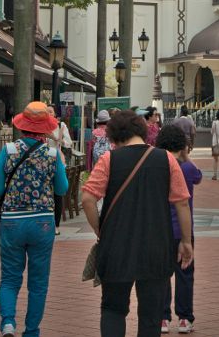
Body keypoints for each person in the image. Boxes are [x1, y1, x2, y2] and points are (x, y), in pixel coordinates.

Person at [81, 111, 195, 337]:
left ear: (115, 135)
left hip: (116, 246)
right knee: (151, 314)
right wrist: (185, 241)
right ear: (142, 131)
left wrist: (99, 228)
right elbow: (182, 203)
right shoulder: (166, 159)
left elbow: (87, 199)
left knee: (113, 309)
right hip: (157, 246)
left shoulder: (109, 160)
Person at [0, 102, 69, 337]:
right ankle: (32, 330)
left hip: (12, 221)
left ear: (22, 126)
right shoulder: (52, 154)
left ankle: (7, 322)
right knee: (38, 281)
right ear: (45, 128)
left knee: (9, 277)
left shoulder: (9, 150)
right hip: (43, 222)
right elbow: (62, 189)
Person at [155, 125, 201, 334]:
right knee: (185, 274)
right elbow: (199, 176)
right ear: (182, 145)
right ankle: (184, 318)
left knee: (161, 275)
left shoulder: (156, 166)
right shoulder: (188, 169)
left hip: (160, 229)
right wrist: (186, 157)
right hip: (183, 230)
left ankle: (163, 318)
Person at [50, 116, 74, 232]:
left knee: (58, 192)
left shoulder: (61, 126)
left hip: (57, 160)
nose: (49, 113)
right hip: (41, 162)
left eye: (51, 111)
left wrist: (58, 139)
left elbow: (68, 143)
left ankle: (56, 225)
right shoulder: (40, 126)